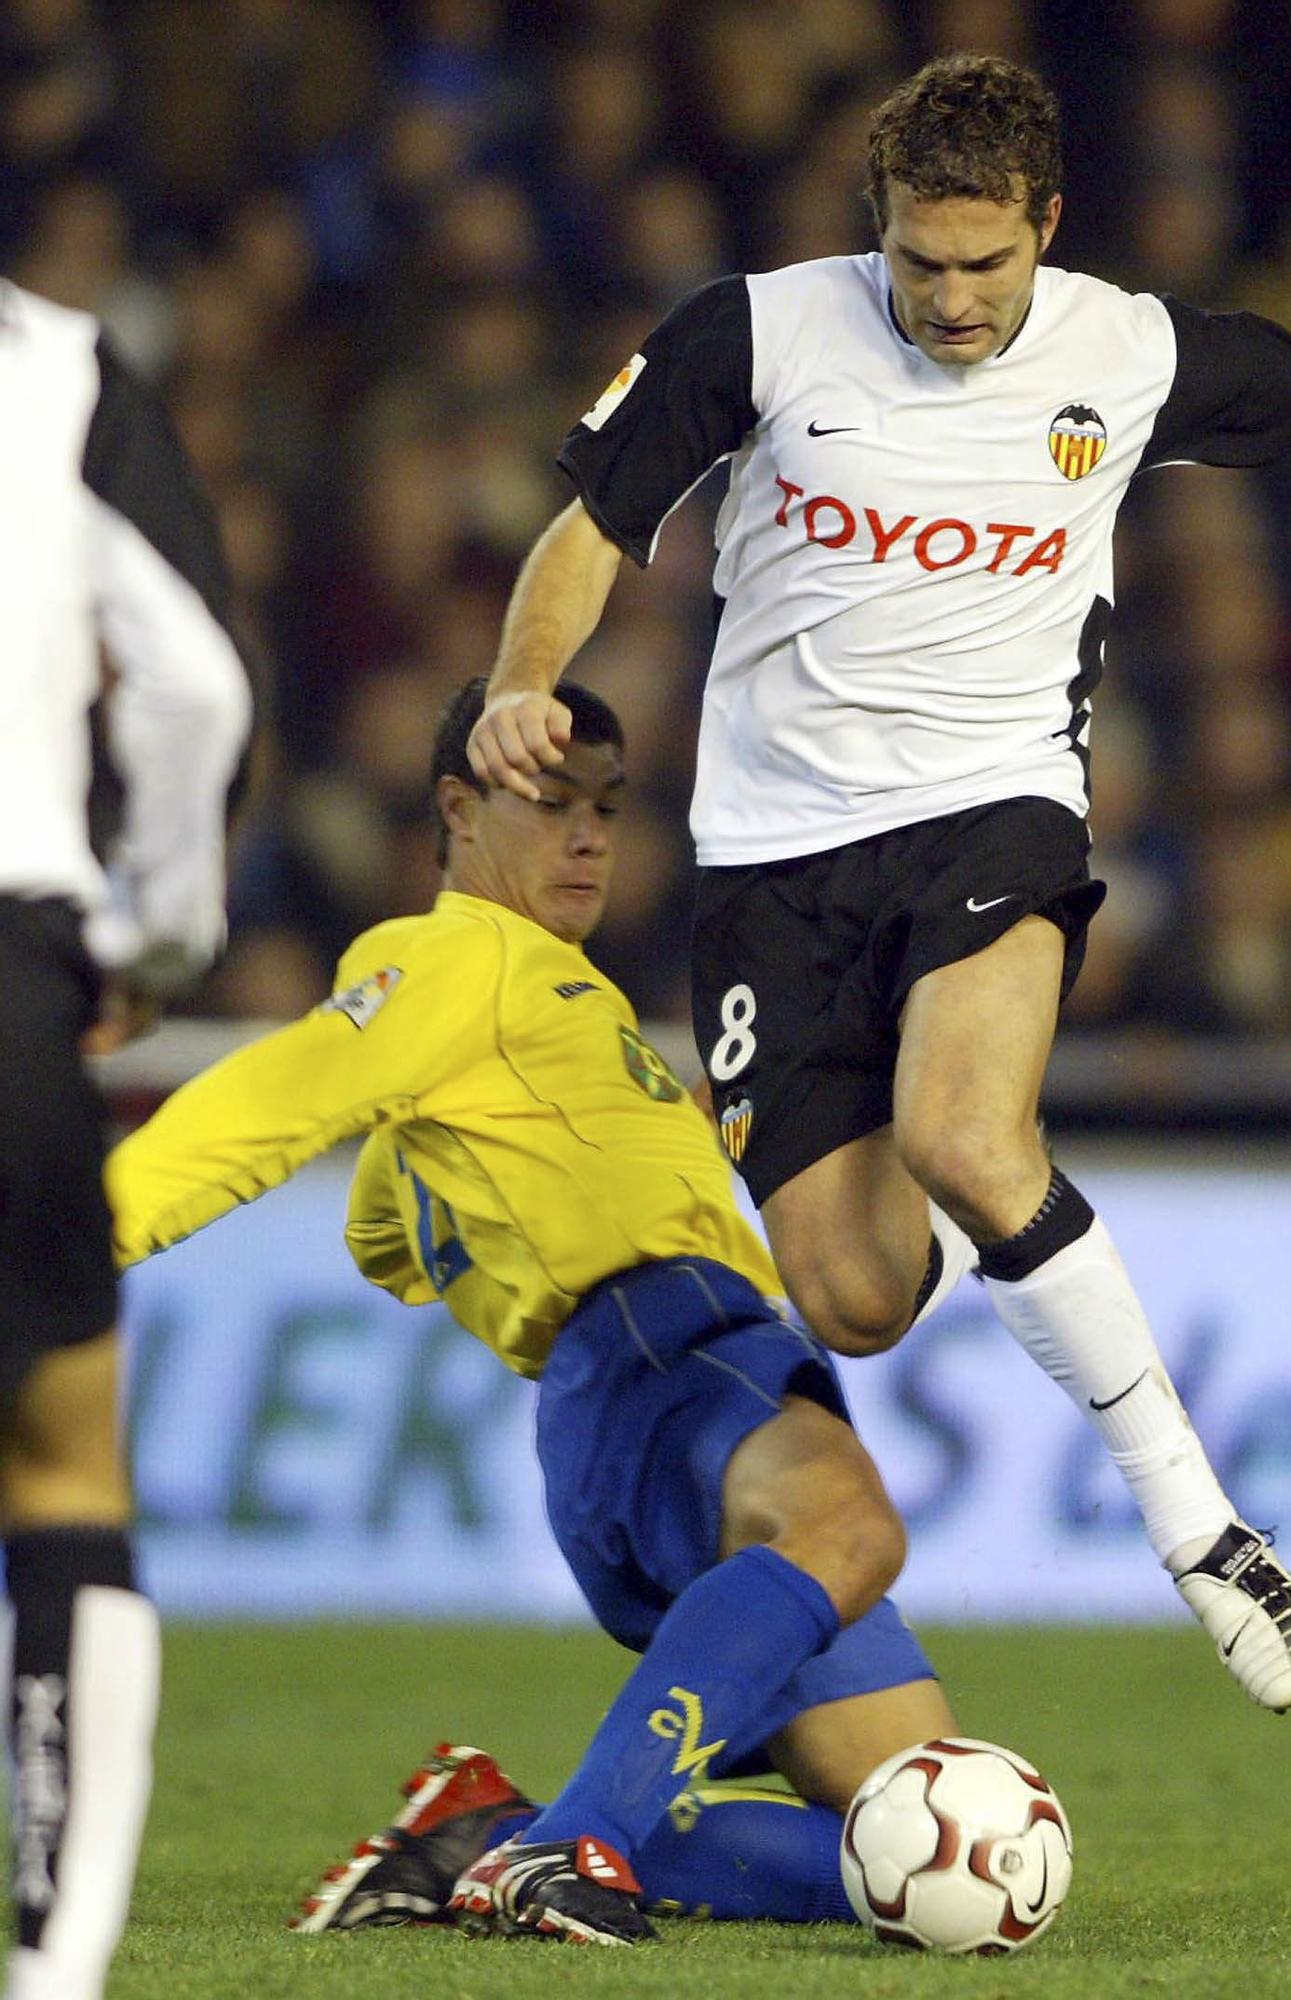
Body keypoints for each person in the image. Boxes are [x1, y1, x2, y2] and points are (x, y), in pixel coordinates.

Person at [467, 53, 1291, 1716]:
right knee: (860, 1296)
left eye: (985, 263)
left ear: (1046, 222)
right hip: (771, 860)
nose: (953, 300)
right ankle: (959, 1307)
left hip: (993, 811)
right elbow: (589, 530)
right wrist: (517, 680)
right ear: (872, 229)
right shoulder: (753, 334)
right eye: (918, 264)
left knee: (969, 1139)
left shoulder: (1122, 349)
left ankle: (1199, 1531)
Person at [108, 676, 959, 1948]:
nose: (587, 835)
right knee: (848, 1523)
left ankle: (493, 1832)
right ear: (457, 807)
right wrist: (70, 1238)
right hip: (660, 1343)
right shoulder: (456, 956)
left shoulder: (552, 1000)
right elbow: (278, 1097)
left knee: (932, 1835)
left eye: (607, 807)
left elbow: (387, 1236)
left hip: (642, 1378)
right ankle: (570, 1847)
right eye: (549, 801)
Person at [0, 279, 252, 2000]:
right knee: (64, 1479)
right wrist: (150, 939)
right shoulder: (56, 372)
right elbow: (190, 688)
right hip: (10, 957)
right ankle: (55, 1977)